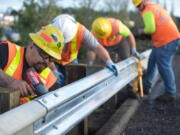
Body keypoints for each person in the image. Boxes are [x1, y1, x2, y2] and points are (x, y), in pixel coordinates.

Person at [0, 25, 64, 103]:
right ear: (31, 46)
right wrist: (10, 82)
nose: (47, 61)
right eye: (44, 54)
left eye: (52, 58)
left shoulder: (50, 80)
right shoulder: (7, 51)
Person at [48, 14, 119, 84]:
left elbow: (97, 47)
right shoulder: (47, 31)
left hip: (70, 59)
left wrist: (109, 61)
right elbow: (45, 55)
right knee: (50, 83)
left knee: (74, 83)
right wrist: (54, 70)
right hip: (51, 60)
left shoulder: (81, 31)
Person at [132, 0, 180, 102]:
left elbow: (150, 29)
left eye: (140, 5)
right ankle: (146, 87)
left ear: (144, 1)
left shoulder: (147, 11)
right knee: (152, 62)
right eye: (137, 7)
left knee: (164, 66)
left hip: (166, 41)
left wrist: (139, 31)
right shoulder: (154, 6)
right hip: (164, 41)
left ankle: (170, 93)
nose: (139, 8)